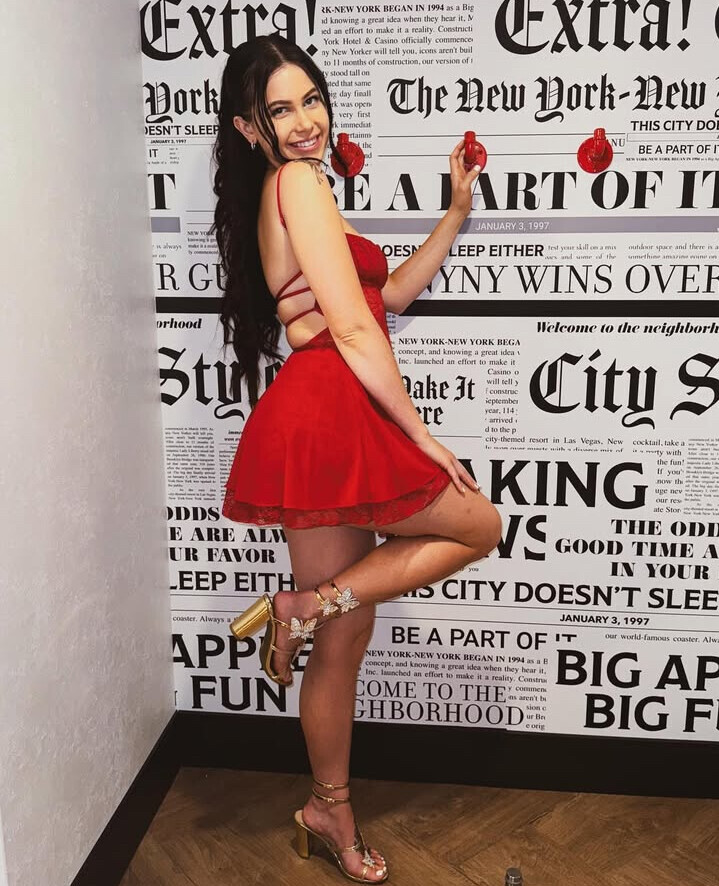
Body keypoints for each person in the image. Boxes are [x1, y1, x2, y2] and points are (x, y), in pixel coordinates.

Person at [212, 33, 502, 883]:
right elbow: (348, 327)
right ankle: (306, 604)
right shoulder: (298, 183)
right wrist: (421, 433)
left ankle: (326, 809)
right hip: (334, 407)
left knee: (343, 636)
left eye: (312, 98)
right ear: (250, 128)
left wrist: (455, 212)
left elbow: (387, 295)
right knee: (480, 524)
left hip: (321, 412)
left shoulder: (302, 192)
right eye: (281, 109)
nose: (305, 120)